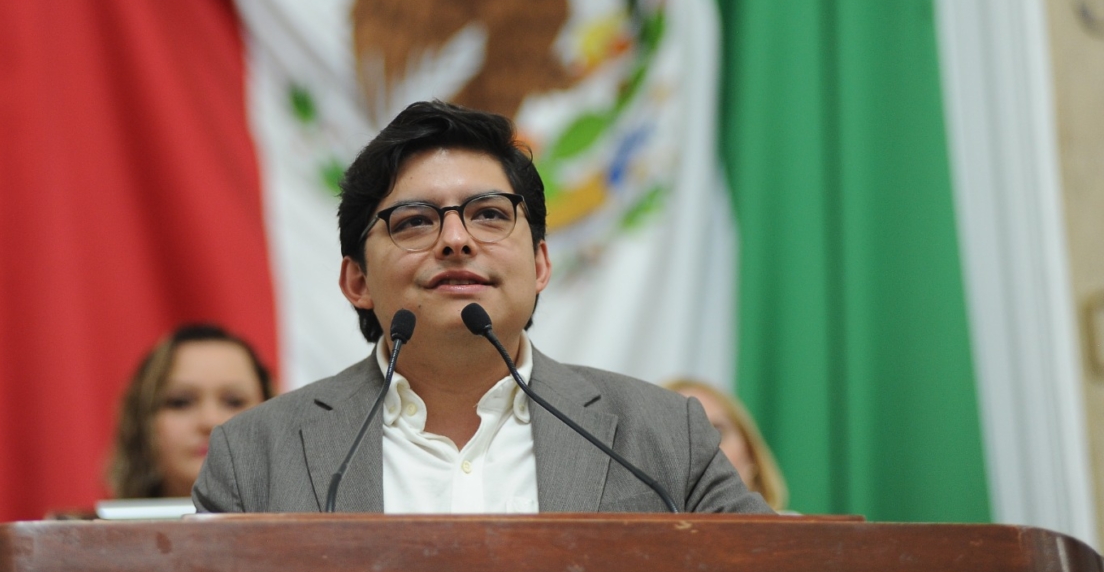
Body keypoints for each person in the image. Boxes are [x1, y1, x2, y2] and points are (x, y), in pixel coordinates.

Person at [194, 101, 770, 514]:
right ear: (357, 281)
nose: (456, 240)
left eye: (489, 214)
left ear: (540, 265)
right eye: (414, 221)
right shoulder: (253, 457)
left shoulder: (666, 438)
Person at [109, 323, 273, 499]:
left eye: (234, 402)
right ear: (141, 421)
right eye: (181, 403)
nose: (210, 421)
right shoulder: (99, 517)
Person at [663, 379, 789, 511]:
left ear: (750, 454)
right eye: (682, 438)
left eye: (718, 432)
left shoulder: (794, 524)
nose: (705, 449)